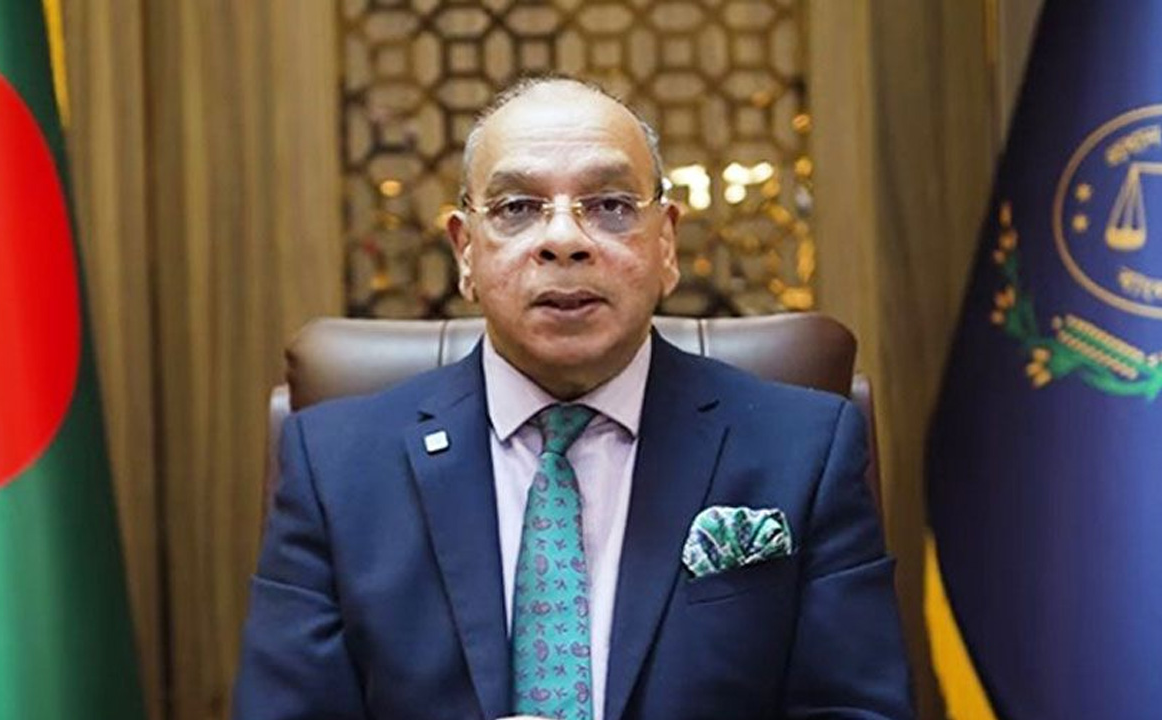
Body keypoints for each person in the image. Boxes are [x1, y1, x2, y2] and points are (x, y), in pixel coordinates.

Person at [232, 76, 913, 720]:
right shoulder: (336, 468)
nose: (564, 241)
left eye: (610, 206)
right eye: (517, 209)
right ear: (466, 253)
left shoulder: (804, 450)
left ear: (666, 243)